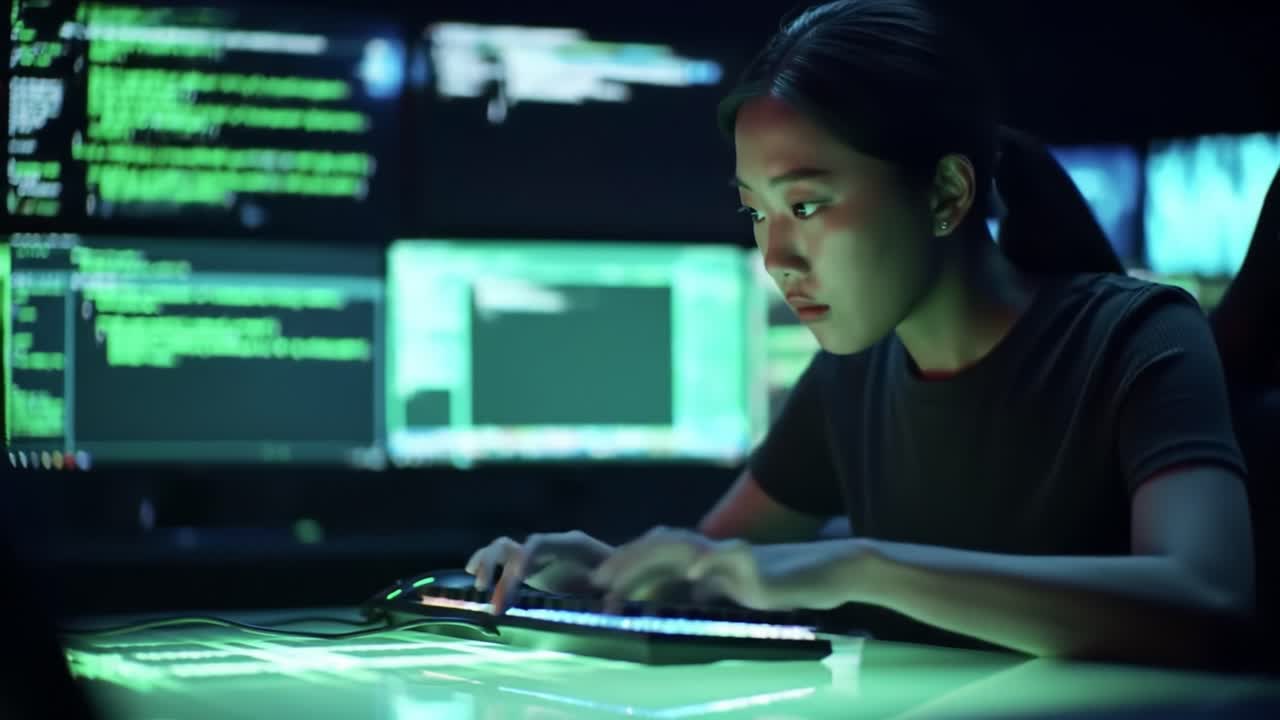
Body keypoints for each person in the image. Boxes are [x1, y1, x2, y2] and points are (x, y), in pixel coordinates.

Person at [465, 0, 1256, 664]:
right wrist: (595, 570)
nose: (776, 258)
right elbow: (709, 566)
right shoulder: (854, 374)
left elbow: (1208, 596)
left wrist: (863, 567)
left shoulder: (1137, 337)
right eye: (756, 212)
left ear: (946, 193)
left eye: (806, 206)